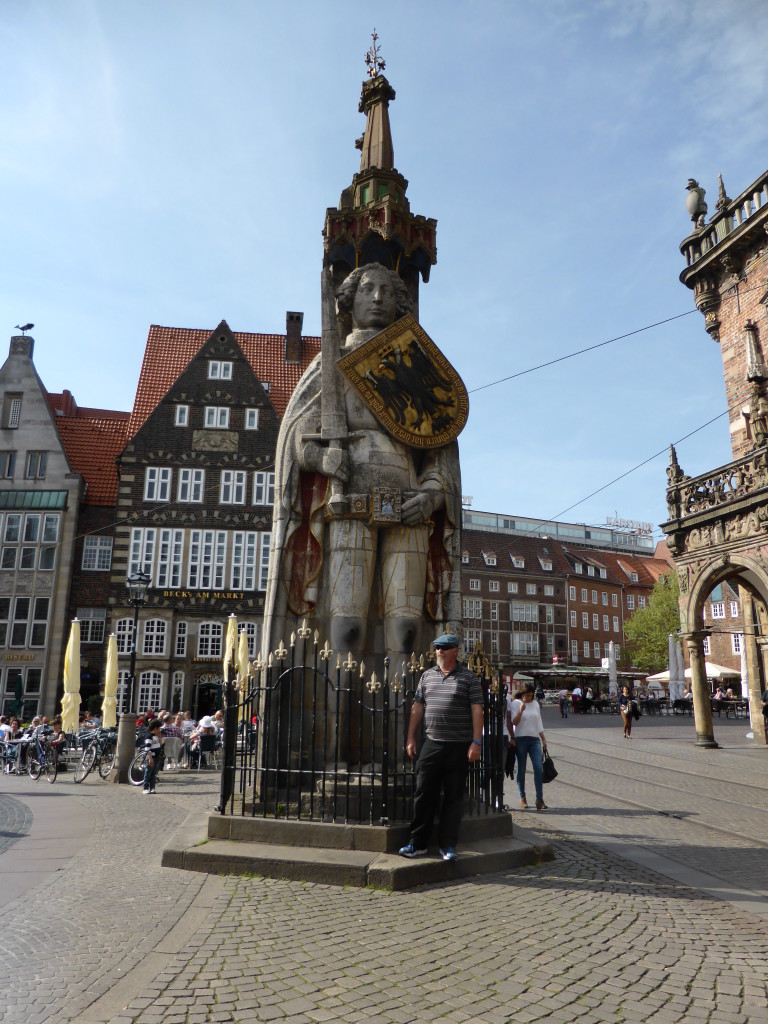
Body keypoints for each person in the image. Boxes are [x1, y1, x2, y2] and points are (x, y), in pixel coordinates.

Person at [263, 262, 463, 666]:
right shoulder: (333, 364)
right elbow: (294, 437)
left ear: (399, 302)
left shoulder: (418, 367)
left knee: (407, 632)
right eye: (368, 289)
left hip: (410, 506)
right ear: (348, 301)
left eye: (388, 291)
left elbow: (440, 448)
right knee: (347, 626)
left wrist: (431, 495)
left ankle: (403, 716)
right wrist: (321, 457)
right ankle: (338, 714)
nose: (377, 298)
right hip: (349, 501)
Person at [399, 633, 483, 861]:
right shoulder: (427, 676)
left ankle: (448, 845)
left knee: (454, 797)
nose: (439, 651)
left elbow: (477, 710)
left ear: (456, 650)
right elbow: (417, 707)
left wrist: (477, 741)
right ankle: (418, 843)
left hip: (459, 745)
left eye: (444, 648)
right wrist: (411, 737)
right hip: (432, 743)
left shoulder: (468, 678)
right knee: (423, 793)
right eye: (437, 647)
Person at [511, 683, 548, 810]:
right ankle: (522, 797)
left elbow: (538, 722)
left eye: (531, 696)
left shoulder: (536, 704)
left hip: (534, 739)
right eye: (527, 695)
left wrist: (543, 738)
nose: (529, 698)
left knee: (538, 767)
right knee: (521, 768)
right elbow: (514, 722)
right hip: (520, 739)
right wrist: (520, 712)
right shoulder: (515, 703)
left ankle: (539, 799)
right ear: (522, 694)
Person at [141, 719, 163, 794]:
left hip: (156, 757)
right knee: (148, 773)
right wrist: (150, 758)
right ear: (155, 728)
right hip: (152, 757)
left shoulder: (155, 736)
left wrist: (160, 739)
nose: (160, 730)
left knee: (154, 774)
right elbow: (147, 748)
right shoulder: (149, 736)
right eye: (159, 728)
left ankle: (152, 787)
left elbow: (159, 745)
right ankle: (145, 787)